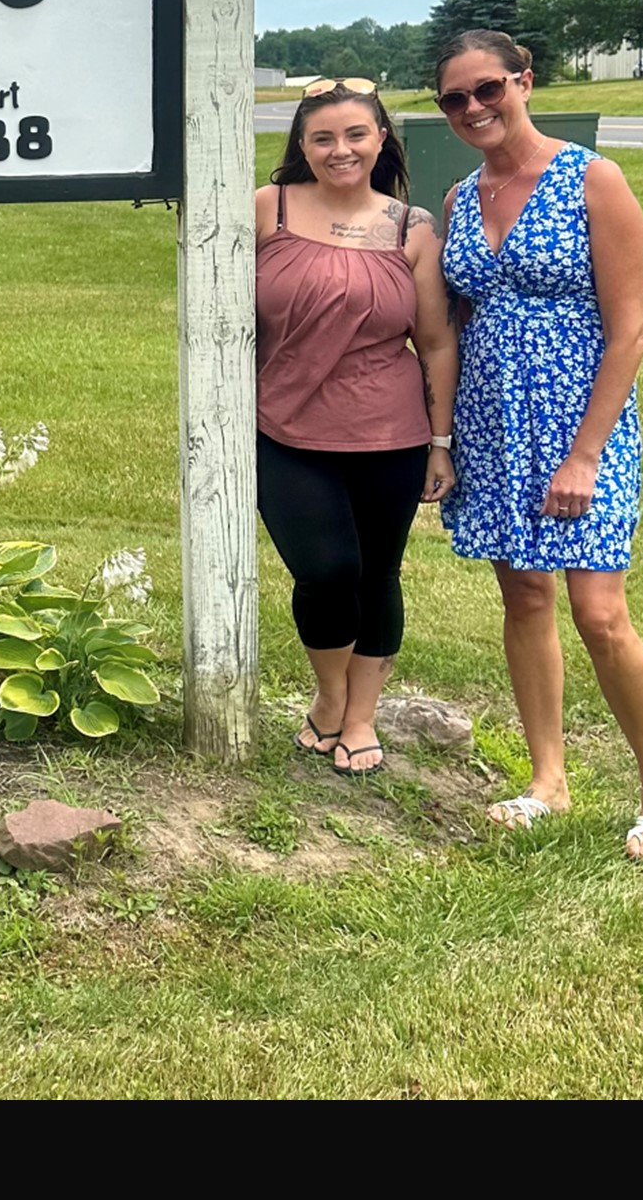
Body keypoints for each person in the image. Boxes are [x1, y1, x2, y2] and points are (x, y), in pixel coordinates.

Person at [432, 30, 643, 862]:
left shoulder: (591, 180)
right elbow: (454, 323)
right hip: (494, 425)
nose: (473, 107)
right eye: (454, 99)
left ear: (524, 81)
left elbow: (630, 334)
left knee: (600, 612)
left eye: (487, 88)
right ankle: (548, 780)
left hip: (583, 423)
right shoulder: (461, 199)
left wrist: (584, 454)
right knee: (526, 600)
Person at [253, 78, 458, 777]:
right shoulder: (266, 211)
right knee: (324, 569)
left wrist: (440, 441)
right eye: (322, 138)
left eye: (355, 135)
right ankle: (329, 693)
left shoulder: (413, 228)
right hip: (283, 427)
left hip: (390, 434)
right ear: (302, 147)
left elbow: (434, 342)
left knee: (377, 575)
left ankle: (358, 716)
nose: (340, 150)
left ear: (380, 141)